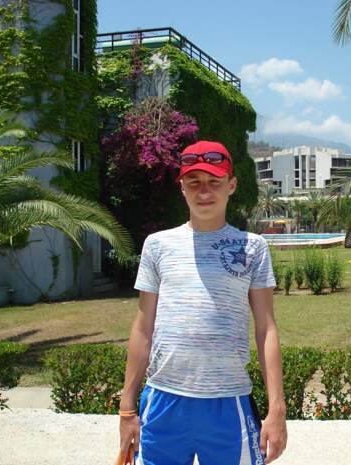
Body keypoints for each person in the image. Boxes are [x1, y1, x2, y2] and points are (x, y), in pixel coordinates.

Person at [118, 140, 287, 465]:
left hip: (228, 403)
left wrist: (276, 410)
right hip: (164, 400)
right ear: (182, 187)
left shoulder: (252, 248)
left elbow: (266, 330)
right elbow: (143, 328)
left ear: (231, 185)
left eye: (214, 181)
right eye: (194, 182)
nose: (204, 191)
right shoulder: (157, 246)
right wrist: (127, 408)